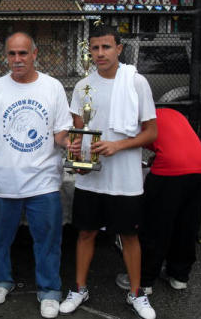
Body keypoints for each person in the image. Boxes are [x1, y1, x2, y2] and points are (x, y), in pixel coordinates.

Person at [0, 31, 80, 319]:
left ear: (35, 55)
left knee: (47, 240)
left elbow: (60, 131)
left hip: (44, 181)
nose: (17, 59)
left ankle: (49, 290)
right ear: (6, 56)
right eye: (12, 54)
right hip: (3, 182)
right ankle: (1, 281)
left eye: (23, 53)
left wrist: (72, 144)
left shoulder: (53, 86)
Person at [58, 24, 157, 319]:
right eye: (95, 47)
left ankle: (136, 293)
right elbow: (78, 133)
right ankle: (79, 288)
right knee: (86, 233)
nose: (100, 53)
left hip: (126, 180)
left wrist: (119, 146)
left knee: (128, 236)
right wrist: (76, 156)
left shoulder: (136, 82)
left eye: (106, 47)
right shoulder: (81, 87)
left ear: (119, 48)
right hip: (92, 179)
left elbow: (151, 133)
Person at [115, 107, 201, 294]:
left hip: (168, 172)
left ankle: (145, 280)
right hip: (199, 169)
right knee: (186, 224)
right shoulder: (173, 113)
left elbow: (131, 145)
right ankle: (179, 275)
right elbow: (176, 142)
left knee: (155, 226)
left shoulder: (140, 119)